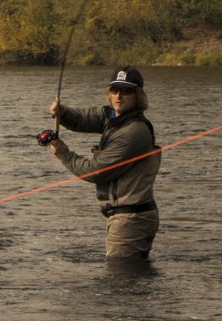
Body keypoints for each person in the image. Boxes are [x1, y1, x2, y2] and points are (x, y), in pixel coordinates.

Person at [39, 66, 160, 260]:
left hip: (131, 220)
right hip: (125, 218)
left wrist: (64, 154)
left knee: (120, 280)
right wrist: (62, 113)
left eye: (126, 91)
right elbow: (84, 119)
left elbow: (95, 172)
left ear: (138, 95)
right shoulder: (112, 116)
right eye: (115, 90)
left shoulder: (134, 132)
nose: (119, 96)